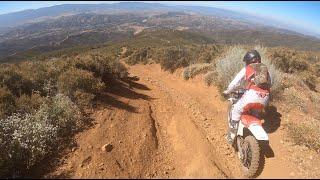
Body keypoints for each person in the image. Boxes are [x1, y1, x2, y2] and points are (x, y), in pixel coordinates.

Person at [222, 50, 272, 144]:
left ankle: (231, 136)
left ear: (249, 60)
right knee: (255, 113)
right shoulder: (265, 69)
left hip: (251, 97)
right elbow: (271, 83)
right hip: (265, 98)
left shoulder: (247, 68)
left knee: (236, 110)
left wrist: (228, 91)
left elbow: (234, 83)